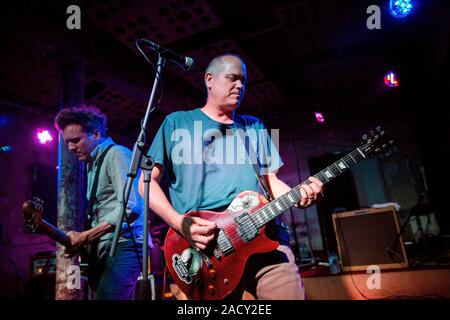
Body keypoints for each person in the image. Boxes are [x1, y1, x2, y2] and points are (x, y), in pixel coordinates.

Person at [140, 54, 323, 300]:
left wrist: (299, 196)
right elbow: (146, 182)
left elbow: (271, 182)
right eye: (232, 78)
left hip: (264, 241)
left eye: (243, 81)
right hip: (206, 251)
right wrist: (179, 222)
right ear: (210, 80)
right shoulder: (177, 123)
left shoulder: (254, 126)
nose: (240, 86)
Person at [54, 105, 146, 300]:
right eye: (67, 142)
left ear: (96, 134)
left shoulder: (116, 155)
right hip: (107, 248)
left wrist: (86, 236)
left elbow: (131, 206)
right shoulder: (92, 164)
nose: (70, 148)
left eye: (76, 140)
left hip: (126, 245)